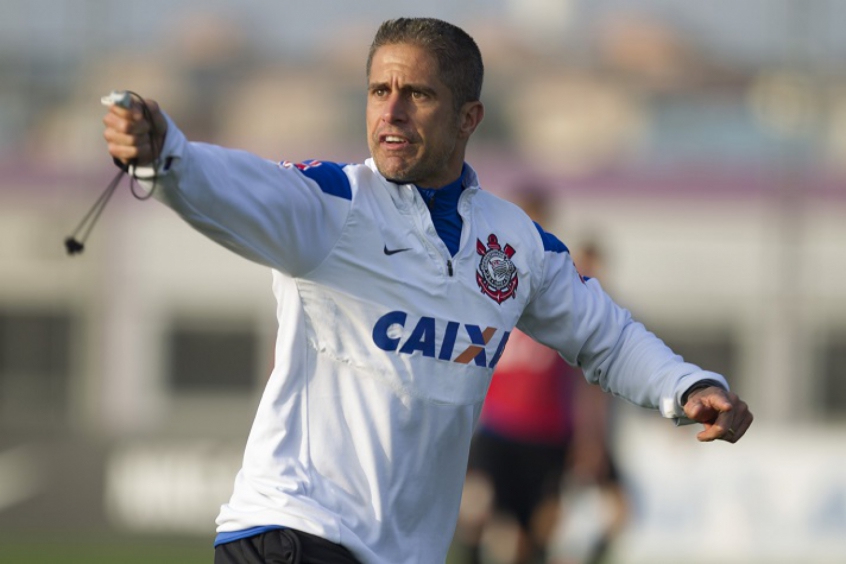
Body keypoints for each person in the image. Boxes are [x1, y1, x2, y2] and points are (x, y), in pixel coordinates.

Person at [101, 17, 753, 564]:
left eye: (417, 93)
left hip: (401, 552)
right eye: (379, 89)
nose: (391, 111)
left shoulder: (515, 243)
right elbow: (235, 186)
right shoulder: (334, 203)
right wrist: (166, 152)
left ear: (469, 116)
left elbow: (603, 335)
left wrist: (687, 386)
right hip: (293, 530)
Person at [453, 197, 626, 564]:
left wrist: (589, 437)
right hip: (499, 428)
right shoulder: (487, 275)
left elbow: (589, 374)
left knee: (536, 533)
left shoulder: (554, 282)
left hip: (548, 432)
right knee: (475, 507)